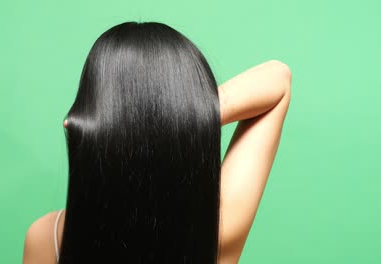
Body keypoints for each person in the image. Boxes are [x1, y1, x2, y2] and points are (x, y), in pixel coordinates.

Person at [22, 22, 292, 264]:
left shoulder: (48, 237)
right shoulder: (219, 230)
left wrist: (132, 127)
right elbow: (278, 78)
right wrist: (178, 122)